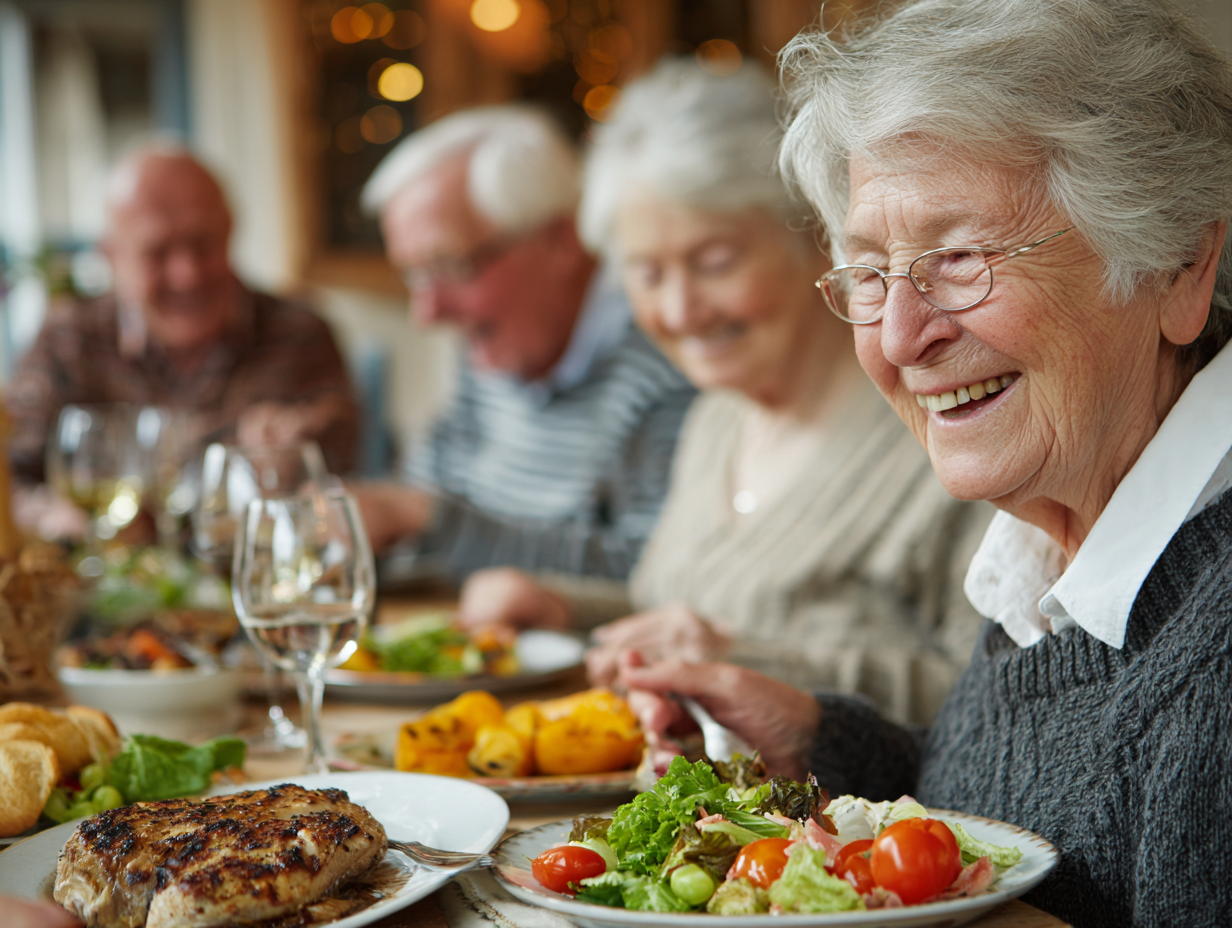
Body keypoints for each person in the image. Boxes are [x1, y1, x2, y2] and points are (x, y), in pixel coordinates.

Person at [620, 1, 1232, 924]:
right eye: (870, 273)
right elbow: (1036, 820)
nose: (901, 337)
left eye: (960, 257)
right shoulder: (1055, 552)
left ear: (1179, 266)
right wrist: (822, 752)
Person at [457, 61, 990, 726]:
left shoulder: (944, 423)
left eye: (714, 263)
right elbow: (695, 613)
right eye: (647, 273)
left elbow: (986, 705)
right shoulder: (716, 418)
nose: (680, 310)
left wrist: (744, 661)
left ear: (817, 241)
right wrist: (566, 608)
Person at [354, 106, 695, 581]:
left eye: (450, 265)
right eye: (415, 275)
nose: (427, 312)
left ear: (560, 242)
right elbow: (424, 487)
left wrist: (431, 521)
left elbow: (650, 573)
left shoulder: (666, 365)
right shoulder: (493, 349)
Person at [6, 147, 359, 482]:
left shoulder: (299, 332)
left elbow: (342, 456)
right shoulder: (69, 338)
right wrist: (55, 517)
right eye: (157, 252)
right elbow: (11, 466)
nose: (187, 275)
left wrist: (297, 445)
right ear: (111, 255)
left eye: (203, 242)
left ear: (230, 231)